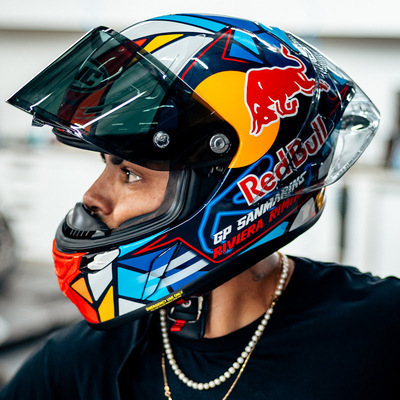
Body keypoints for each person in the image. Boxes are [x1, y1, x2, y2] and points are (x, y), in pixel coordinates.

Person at [2, 13, 399, 400]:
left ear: (238, 188)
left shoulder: (379, 332)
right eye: (106, 165)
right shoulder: (76, 364)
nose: (93, 197)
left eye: (130, 174)